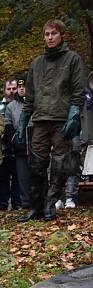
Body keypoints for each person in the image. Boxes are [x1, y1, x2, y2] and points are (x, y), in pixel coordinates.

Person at [17, 18, 85, 222]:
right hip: (39, 120)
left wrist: (74, 114)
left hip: (61, 119)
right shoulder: (37, 63)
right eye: (46, 34)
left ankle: (50, 204)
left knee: (60, 164)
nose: (49, 37)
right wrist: (23, 120)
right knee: (37, 164)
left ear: (62, 35)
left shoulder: (73, 59)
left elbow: (77, 91)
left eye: (53, 33)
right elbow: (30, 96)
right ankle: (36, 206)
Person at [4, 80, 31, 210]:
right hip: (20, 144)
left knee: (38, 172)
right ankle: (25, 202)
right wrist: (14, 140)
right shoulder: (11, 106)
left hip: (35, 143)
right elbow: (8, 126)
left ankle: (39, 199)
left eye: (23, 87)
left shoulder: (36, 103)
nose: (21, 89)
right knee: (22, 175)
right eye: (19, 87)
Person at [0, 78, 21, 210]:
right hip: (2, 147)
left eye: (14, 88)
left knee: (17, 175)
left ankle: (17, 201)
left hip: (18, 146)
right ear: (5, 90)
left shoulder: (21, 104)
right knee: (4, 176)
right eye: (9, 89)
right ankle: (3, 201)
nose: (11, 91)